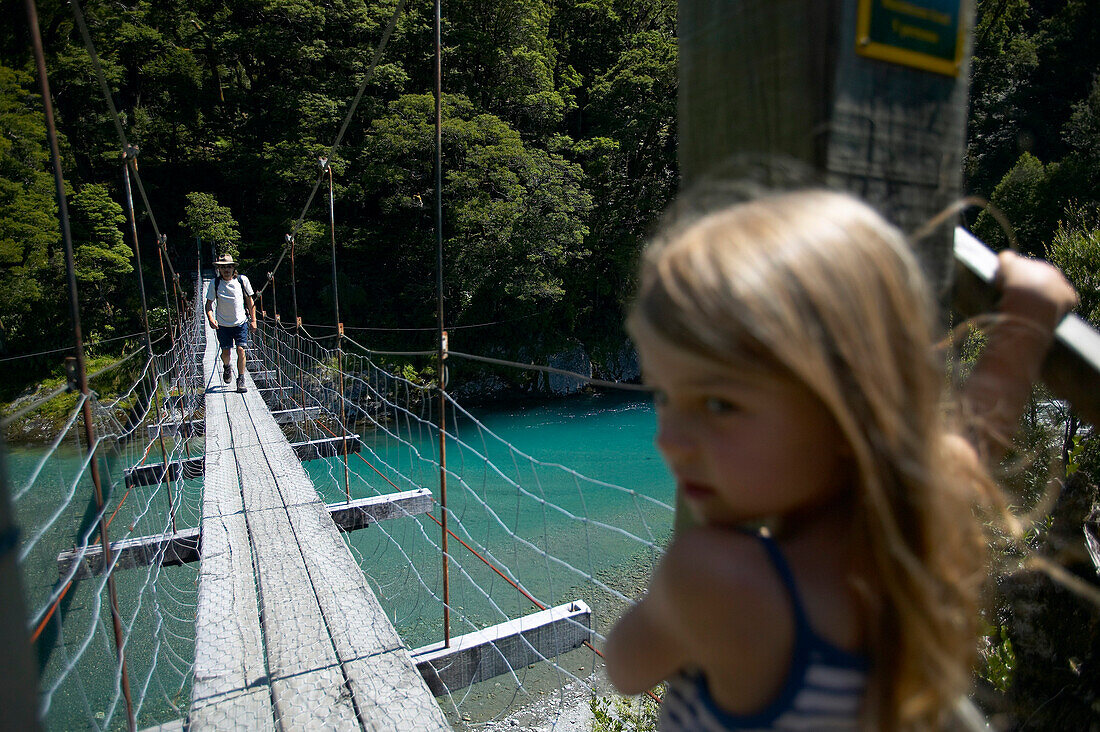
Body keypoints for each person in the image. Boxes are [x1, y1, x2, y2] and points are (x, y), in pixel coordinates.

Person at [603, 190, 1078, 731]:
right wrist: (1029, 315)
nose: (670, 442)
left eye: (719, 404)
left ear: (845, 407)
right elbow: (977, 434)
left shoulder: (716, 577)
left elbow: (626, 667)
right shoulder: (912, 517)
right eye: (664, 396)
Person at [205, 254, 257, 393]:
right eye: (223, 267)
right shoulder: (214, 284)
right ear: (219, 269)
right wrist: (210, 318)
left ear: (233, 268)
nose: (226, 269)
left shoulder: (242, 280)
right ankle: (227, 366)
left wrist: (253, 320)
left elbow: (250, 302)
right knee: (226, 353)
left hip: (240, 323)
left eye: (229, 266)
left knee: (241, 350)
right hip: (223, 325)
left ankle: (241, 379)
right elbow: (208, 304)